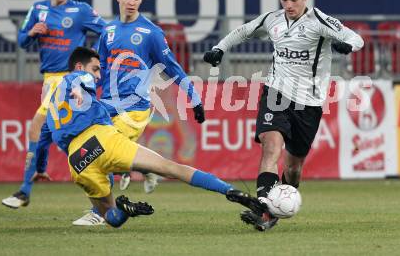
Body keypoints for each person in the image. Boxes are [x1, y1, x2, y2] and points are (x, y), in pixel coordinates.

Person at [32, 46, 263, 228]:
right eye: (95, 69)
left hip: (77, 162)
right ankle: (230, 191)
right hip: (101, 139)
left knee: (110, 216)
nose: (98, 74)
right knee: (171, 168)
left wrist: (40, 168)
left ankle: (124, 210)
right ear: (80, 66)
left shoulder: (50, 103)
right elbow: (81, 81)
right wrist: (79, 89)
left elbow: (42, 141)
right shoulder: (75, 78)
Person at [203, 0, 364, 231]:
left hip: (308, 103)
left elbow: (356, 37)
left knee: (293, 168)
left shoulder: (319, 21)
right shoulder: (273, 19)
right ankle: (264, 209)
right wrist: (220, 48)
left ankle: (278, 204)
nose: (288, 5)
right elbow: (243, 31)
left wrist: (347, 46)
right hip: (276, 92)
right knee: (270, 145)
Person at [2, 0, 106, 209]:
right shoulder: (38, 10)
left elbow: (107, 31)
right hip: (50, 82)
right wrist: (31, 34)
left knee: (37, 127)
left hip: (70, 80)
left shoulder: (80, 11)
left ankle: (26, 189)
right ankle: (109, 180)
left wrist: (95, 59)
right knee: (70, 138)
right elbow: (21, 40)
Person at [96, 0, 205, 194]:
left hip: (134, 108)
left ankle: (100, 212)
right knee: (111, 154)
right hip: (107, 106)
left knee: (105, 153)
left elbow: (173, 67)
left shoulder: (150, 32)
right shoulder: (107, 32)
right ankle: (147, 169)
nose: (132, 2)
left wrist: (194, 99)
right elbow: (99, 69)